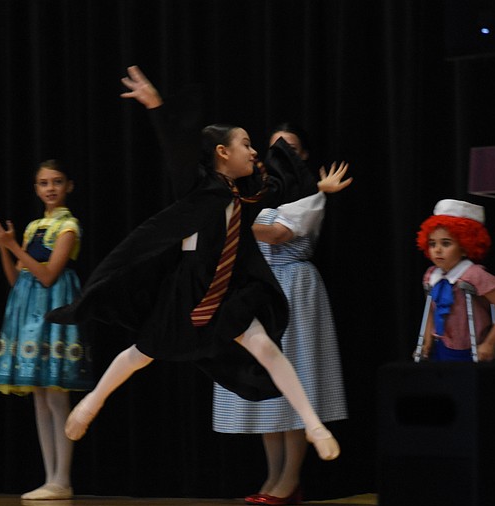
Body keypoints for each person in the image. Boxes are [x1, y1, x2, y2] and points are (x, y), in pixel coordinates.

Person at [47, 66, 352, 464]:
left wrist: (319, 187)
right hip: (187, 291)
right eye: (246, 144)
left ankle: (314, 425)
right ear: (223, 153)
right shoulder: (196, 187)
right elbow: (176, 149)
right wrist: (157, 106)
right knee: (140, 354)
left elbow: (280, 187)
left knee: (265, 347)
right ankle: (92, 402)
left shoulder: (246, 193)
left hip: (229, 292)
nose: (254, 151)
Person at [212, 124, 349, 506]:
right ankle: (272, 475)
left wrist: (230, 219)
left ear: (302, 155)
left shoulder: (310, 197)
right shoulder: (254, 194)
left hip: (293, 289)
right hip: (259, 286)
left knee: (295, 379)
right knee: (264, 385)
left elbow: (276, 234)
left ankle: (290, 478)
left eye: (290, 147)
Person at [0, 159, 91, 500]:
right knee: (40, 397)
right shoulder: (33, 227)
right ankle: (50, 477)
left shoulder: (68, 226)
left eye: (57, 182)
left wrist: (12, 245)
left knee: (57, 394)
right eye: (44, 183)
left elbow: (48, 275)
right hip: (29, 311)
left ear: (68, 186)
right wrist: (4, 247)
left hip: (54, 308)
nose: (50, 188)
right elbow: (18, 278)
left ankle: (63, 478)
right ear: (36, 188)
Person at [415, 199, 495, 362]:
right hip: (440, 346)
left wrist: (490, 343)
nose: (437, 250)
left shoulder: (474, 274)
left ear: (464, 247)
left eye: (446, 243)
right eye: (432, 244)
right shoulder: (430, 276)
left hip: (471, 349)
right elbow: (431, 311)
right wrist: (427, 340)